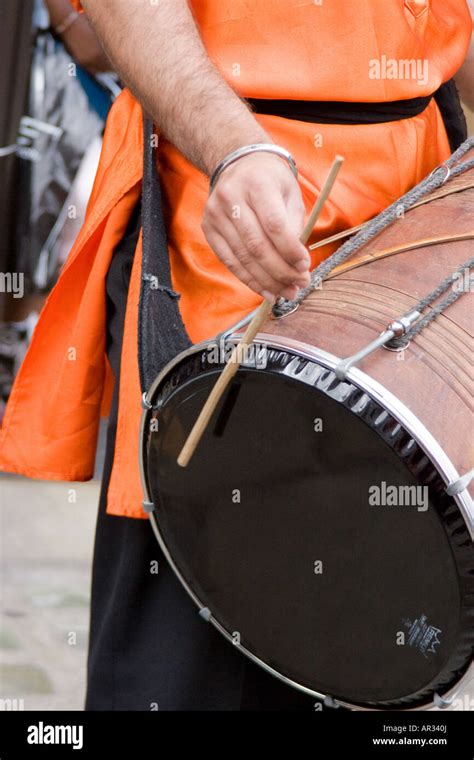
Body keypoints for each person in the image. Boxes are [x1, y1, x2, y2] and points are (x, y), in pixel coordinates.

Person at [1, 0, 473, 710]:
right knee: (194, 619)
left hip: (419, 196)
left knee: (384, 610)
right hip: (229, 186)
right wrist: (230, 145)